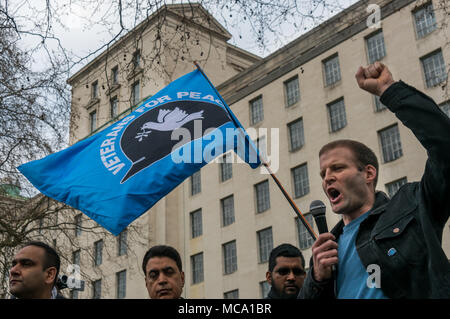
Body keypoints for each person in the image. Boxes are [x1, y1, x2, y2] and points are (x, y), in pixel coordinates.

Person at [298, 62, 450, 299]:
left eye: (337, 168)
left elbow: (445, 147)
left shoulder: (411, 207)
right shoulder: (329, 249)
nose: (328, 177)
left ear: (368, 174)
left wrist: (390, 90)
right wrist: (317, 279)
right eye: (323, 173)